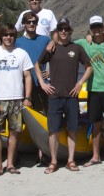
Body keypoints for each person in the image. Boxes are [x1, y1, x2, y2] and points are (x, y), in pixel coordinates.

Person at [37, 17, 92, 173]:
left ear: (70, 31)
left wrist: (80, 83)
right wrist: (42, 83)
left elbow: (89, 67)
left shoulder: (77, 48)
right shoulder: (51, 48)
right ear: (57, 31)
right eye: (60, 29)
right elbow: (36, 64)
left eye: (66, 29)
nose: (63, 32)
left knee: (72, 129)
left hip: (71, 96)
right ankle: (53, 162)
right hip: (54, 96)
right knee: (53, 130)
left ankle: (70, 160)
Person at [0, 25, 33, 176]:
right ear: (1, 37)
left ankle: (10, 163)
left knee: (15, 132)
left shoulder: (21, 53)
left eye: (11, 35)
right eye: (5, 35)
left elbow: (28, 76)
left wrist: (27, 98)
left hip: (17, 99)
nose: (8, 38)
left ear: (14, 37)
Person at [76, 15, 104, 167]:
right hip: (93, 90)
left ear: (103, 28)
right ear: (91, 30)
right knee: (95, 123)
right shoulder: (84, 43)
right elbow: (65, 44)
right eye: (93, 28)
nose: (96, 30)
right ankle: (96, 156)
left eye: (99, 27)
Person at [15, 10, 51, 114]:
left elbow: (54, 58)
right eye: (28, 22)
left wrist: (50, 71)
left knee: (44, 114)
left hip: (43, 84)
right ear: (24, 24)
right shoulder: (17, 42)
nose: (31, 24)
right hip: (23, 86)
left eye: (34, 22)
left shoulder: (45, 40)